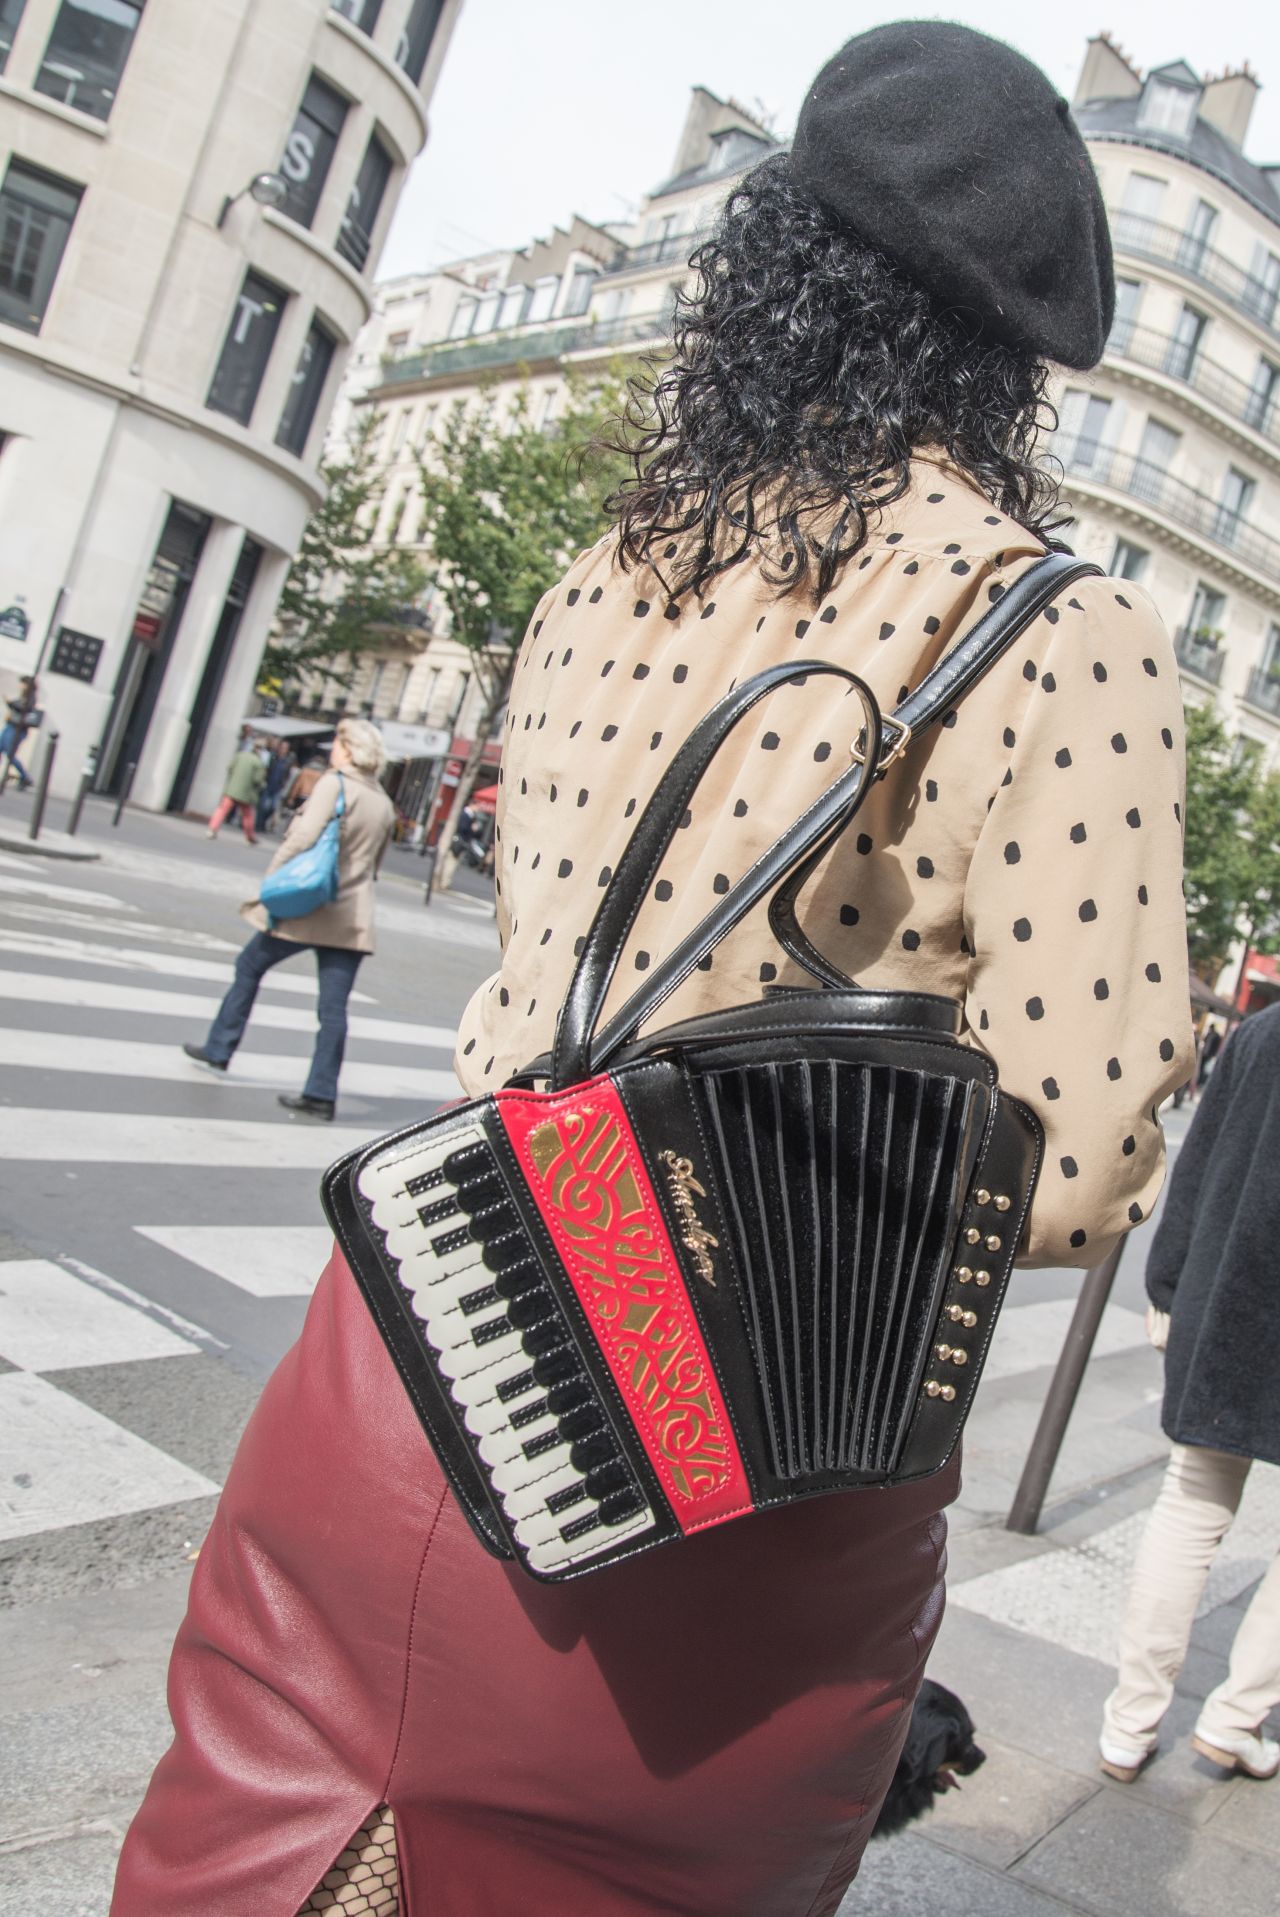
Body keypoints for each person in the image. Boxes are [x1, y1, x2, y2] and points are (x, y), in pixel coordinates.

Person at [114, 26, 1194, 1914]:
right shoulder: (1056, 631)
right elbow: (1081, 1164)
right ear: (1013, 353)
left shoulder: (609, 564)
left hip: (400, 1361)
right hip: (720, 1512)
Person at [1100, 1005, 1280, 1785]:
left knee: (1191, 1499)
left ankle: (1128, 1724)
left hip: (1232, 1293)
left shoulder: (1265, 1029)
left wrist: (1167, 1280)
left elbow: (1199, 1161)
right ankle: (1235, 1717)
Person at [183, 718, 395, 1120]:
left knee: (249, 966)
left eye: (337, 742)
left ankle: (219, 1048)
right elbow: (375, 866)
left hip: (307, 905)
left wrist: (273, 878)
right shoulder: (383, 803)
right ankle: (320, 1093)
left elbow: (303, 837)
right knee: (332, 1009)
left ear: (348, 749)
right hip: (351, 915)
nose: (333, 748)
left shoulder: (336, 783)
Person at [207, 736, 268, 842]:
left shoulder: (240, 755)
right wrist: (262, 785)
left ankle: (212, 829)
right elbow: (257, 780)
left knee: (222, 810)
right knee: (247, 815)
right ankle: (250, 836)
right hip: (246, 793)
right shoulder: (258, 763)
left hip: (232, 789)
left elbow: (230, 768)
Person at [0, 677, 40, 790]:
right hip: (10, 726)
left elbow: (23, 708)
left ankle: (25, 777)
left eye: (22, 684)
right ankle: (24, 777)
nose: (20, 686)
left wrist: (10, 703)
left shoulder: (30, 697)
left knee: (10, 753)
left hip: (17, 729)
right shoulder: (24, 696)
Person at [256, 737, 297, 836]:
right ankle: (259, 824)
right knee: (263, 806)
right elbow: (266, 769)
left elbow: (287, 774)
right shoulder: (273, 757)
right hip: (268, 784)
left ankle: (263, 822)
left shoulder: (287, 761)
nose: (283, 749)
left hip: (278, 787)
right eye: (282, 747)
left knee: (272, 807)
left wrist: (284, 784)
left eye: (285, 748)